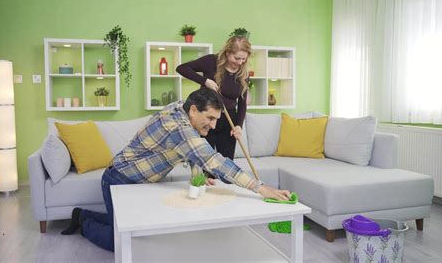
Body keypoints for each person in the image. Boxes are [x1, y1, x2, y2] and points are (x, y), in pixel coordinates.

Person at [60, 87, 292, 252]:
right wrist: (260, 187)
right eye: (210, 118)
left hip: (142, 183)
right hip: (119, 180)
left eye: (215, 120)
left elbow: (189, 149)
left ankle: (82, 214)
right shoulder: (178, 127)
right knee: (120, 242)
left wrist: (197, 176)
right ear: (193, 110)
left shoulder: (181, 109)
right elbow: (212, 160)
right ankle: (84, 223)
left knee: (134, 230)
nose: (212, 126)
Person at [176, 36, 251, 160]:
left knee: (226, 163)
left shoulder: (243, 73)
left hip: (229, 121)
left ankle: (224, 181)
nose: (240, 62)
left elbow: (242, 103)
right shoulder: (211, 61)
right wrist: (205, 81)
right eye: (236, 58)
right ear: (227, 53)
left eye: (243, 59)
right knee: (206, 162)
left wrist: (238, 126)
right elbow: (182, 68)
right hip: (206, 117)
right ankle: (206, 180)